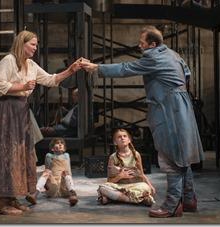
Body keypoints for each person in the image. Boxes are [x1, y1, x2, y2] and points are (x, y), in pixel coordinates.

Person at [80, 25, 204, 218]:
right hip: (182, 107)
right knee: (182, 156)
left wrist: (97, 67)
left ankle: (172, 205)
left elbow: (126, 68)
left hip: (168, 109)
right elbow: (187, 75)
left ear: (152, 44)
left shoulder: (153, 56)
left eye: (142, 43)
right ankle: (188, 199)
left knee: (170, 157)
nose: (140, 46)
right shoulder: (173, 54)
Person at [0, 30, 82, 215]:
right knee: (7, 153)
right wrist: (22, 86)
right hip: (6, 110)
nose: (36, 47)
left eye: (36, 44)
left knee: (19, 154)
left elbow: (50, 80)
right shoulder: (8, 60)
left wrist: (70, 70)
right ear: (22, 43)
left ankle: (12, 197)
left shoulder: (31, 65)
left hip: (21, 110)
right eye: (33, 44)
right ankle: (0, 203)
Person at [97, 128, 155, 206]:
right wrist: (120, 176)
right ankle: (134, 200)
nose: (122, 138)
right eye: (119, 137)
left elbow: (142, 174)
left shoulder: (136, 155)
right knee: (103, 188)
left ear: (129, 140)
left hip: (135, 186)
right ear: (115, 142)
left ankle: (114, 198)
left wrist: (150, 186)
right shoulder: (113, 157)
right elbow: (109, 181)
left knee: (145, 187)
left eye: (125, 136)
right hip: (120, 187)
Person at [25, 138, 78, 206]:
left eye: (62, 143)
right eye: (57, 143)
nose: (60, 144)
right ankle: (35, 194)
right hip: (53, 185)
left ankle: (73, 194)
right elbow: (47, 169)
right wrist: (46, 184)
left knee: (66, 172)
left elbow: (69, 170)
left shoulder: (66, 155)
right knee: (47, 172)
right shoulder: (49, 156)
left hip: (64, 187)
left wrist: (68, 180)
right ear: (52, 148)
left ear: (64, 148)